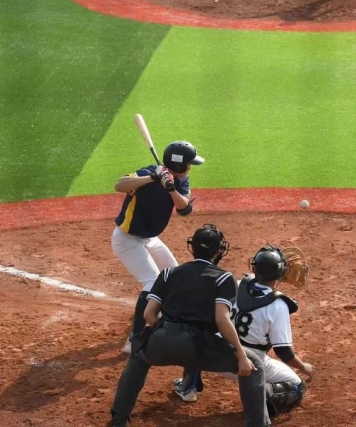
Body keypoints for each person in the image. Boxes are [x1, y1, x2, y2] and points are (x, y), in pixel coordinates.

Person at [110, 224, 271, 427]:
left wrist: (167, 334)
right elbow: (222, 320)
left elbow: (148, 314)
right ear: (219, 251)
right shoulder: (223, 278)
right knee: (254, 363)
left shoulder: (168, 273)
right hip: (200, 347)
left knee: (138, 357)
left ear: (192, 247)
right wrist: (240, 354)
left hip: (162, 341)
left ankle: (118, 418)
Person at [174, 245, 315, 418]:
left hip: (214, 356)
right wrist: (303, 366)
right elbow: (283, 351)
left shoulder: (236, 284)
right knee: (297, 386)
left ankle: (188, 385)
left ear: (254, 268)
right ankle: (264, 393)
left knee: (200, 330)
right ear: (280, 274)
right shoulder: (278, 305)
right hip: (249, 365)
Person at [112, 140, 203, 353]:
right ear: (180, 165)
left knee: (173, 276)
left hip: (150, 238)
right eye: (189, 164)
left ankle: (163, 314)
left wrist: (169, 187)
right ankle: (134, 339)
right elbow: (120, 185)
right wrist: (153, 178)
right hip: (127, 239)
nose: (190, 168)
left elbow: (184, 209)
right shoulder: (148, 172)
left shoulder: (180, 180)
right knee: (153, 282)